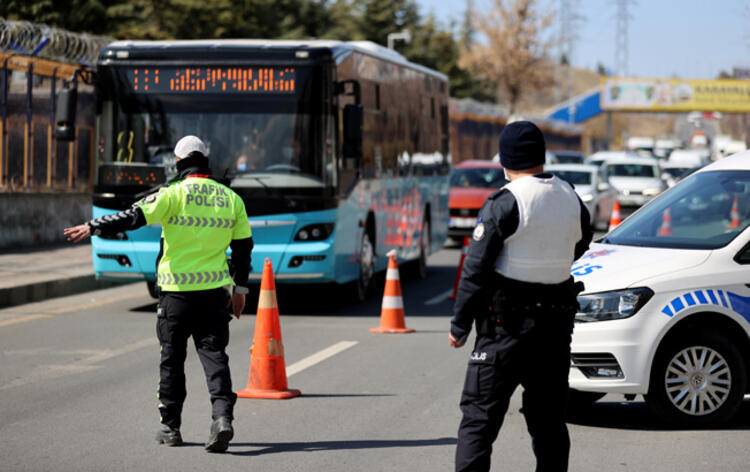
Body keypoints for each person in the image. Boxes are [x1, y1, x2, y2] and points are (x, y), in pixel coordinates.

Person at [63, 135, 253, 453]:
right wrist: (240, 290)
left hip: (175, 297)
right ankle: (222, 418)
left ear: (178, 164)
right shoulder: (230, 199)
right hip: (214, 294)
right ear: (205, 160)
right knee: (215, 357)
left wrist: (93, 225)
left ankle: (170, 427)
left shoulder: (172, 194)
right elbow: (244, 250)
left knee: (171, 361)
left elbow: (132, 217)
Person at [449, 121, 593, 472]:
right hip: (555, 329)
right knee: (549, 424)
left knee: (479, 421)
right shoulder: (570, 196)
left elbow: (476, 269)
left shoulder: (507, 201)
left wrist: (460, 324)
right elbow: (581, 243)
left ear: (505, 161)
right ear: (541, 157)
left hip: (505, 329)